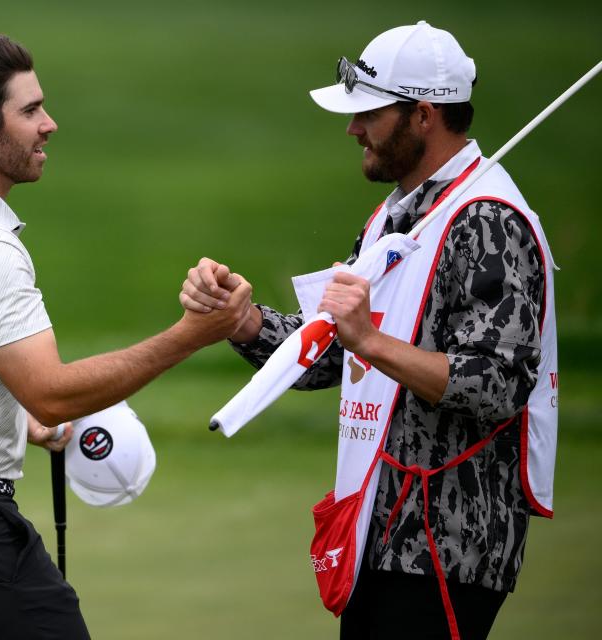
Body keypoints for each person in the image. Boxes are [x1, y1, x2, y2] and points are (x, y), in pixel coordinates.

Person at [0, 35, 251, 639]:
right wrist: (193, 334)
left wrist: (6, 420)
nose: (49, 125)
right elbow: (52, 395)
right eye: (30, 111)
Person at [181, 21, 557, 640]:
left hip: (445, 547)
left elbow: (498, 385)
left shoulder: (489, 221)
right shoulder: (396, 214)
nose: (353, 128)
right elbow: (338, 355)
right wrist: (242, 320)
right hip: (379, 532)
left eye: (371, 114)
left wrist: (371, 342)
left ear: (423, 116)